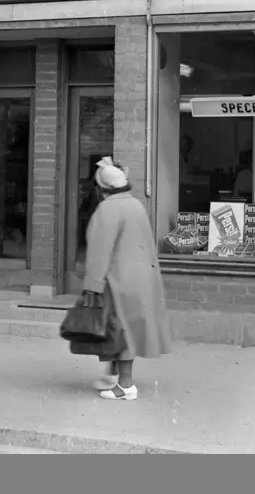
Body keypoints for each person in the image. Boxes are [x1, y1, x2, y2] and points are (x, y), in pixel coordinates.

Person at [81, 157, 171, 401]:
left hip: (118, 280)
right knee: (122, 330)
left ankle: (125, 385)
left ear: (101, 189)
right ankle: (113, 376)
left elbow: (100, 252)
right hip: (139, 278)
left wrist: (93, 285)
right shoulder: (134, 204)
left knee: (120, 332)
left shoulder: (107, 209)